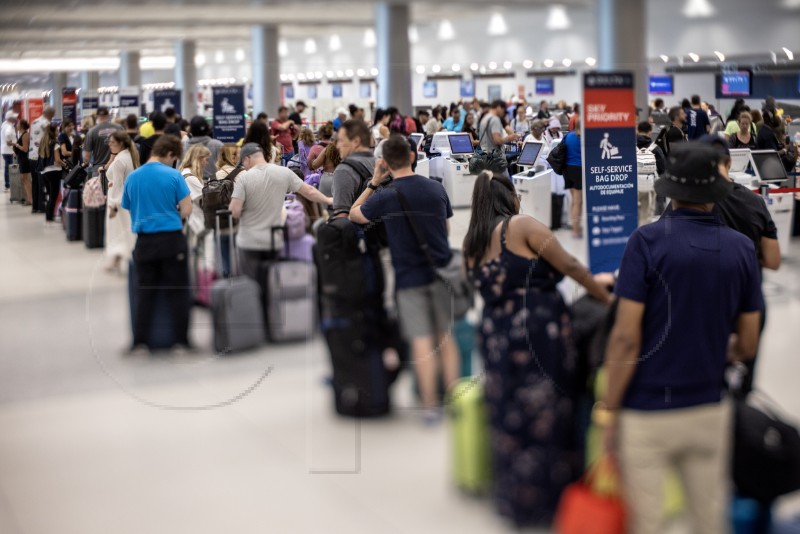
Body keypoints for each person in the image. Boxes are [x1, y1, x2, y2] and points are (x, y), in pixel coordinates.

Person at [601, 142, 763, 534]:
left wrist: (609, 409)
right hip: (709, 407)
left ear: (669, 191)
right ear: (715, 194)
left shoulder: (646, 243)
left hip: (647, 411)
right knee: (709, 519)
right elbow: (748, 343)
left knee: (650, 522)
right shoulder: (741, 249)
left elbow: (625, 339)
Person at [462, 169, 612, 527]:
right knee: (549, 410)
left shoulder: (472, 242)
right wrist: (604, 296)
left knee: (509, 413)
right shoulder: (521, 225)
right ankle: (550, 498)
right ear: (510, 196)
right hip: (538, 331)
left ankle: (516, 498)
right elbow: (571, 265)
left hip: (497, 334)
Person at [349, 135, 460, 424]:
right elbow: (446, 231)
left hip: (409, 278)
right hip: (442, 273)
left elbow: (353, 214)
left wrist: (374, 181)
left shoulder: (386, 196)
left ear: (384, 163)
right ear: (412, 156)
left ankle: (430, 407)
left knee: (422, 343)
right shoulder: (436, 189)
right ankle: (454, 401)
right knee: (446, 339)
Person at [122, 135, 192, 354]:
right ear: (170, 154)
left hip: (144, 242)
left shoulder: (133, 177)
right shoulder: (174, 176)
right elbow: (187, 209)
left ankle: (140, 343)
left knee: (144, 292)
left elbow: (128, 206)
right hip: (172, 239)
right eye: (174, 159)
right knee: (178, 292)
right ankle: (181, 342)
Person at [228, 143, 332, 279]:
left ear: (247, 158)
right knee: (271, 283)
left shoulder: (243, 178)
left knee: (251, 284)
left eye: (243, 163)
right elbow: (310, 191)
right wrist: (328, 200)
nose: (244, 166)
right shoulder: (283, 172)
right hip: (273, 240)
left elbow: (234, 211)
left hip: (249, 241)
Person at [104, 131, 140, 274]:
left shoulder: (119, 160)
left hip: (118, 201)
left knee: (117, 231)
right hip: (126, 199)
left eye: (112, 142)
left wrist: (113, 205)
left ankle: (120, 259)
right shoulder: (128, 156)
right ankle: (118, 259)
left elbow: (118, 185)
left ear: (121, 143)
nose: (110, 145)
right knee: (124, 230)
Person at [331, 119, 376, 214]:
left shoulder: (344, 170)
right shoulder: (381, 165)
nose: (337, 146)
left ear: (356, 141)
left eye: (341, 140)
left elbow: (341, 216)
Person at [214, 144, 241, 276]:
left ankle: (226, 275)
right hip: (239, 218)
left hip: (222, 218)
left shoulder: (217, 174)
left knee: (224, 251)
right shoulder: (243, 173)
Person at [636, 121, 666, 224]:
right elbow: (662, 169)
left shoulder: (630, 148)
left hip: (634, 186)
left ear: (637, 130)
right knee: (649, 214)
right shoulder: (656, 148)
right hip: (651, 185)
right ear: (650, 132)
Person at [180, 144, 212, 242]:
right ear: (199, 159)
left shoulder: (184, 173)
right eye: (206, 160)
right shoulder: (190, 178)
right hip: (196, 221)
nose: (206, 163)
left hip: (192, 220)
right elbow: (203, 200)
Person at [28, 107, 54, 212]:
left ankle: (35, 206)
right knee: (42, 182)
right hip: (41, 157)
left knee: (34, 182)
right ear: (50, 114)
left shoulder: (34, 122)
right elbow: (51, 139)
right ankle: (41, 206)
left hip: (31, 155)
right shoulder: (46, 123)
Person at [39, 124, 65, 225]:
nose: (58, 132)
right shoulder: (55, 144)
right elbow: (58, 160)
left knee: (50, 195)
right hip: (54, 171)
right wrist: (65, 165)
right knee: (53, 195)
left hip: (44, 172)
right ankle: (49, 217)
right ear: (53, 132)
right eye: (57, 130)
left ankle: (49, 216)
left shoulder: (43, 143)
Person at [83, 107, 123, 171]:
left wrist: (86, 163)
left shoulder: (92, 132)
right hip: (118, 165)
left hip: (99, 168)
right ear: (108, 116)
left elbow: (87, 156)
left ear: (96, 116)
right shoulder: (119, 128)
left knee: (97, 181)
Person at [562, 118, 583, 237]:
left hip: (567, 169)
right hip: (578, 170)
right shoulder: (584, 137)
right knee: (578, 201)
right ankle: (576, 230)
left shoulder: (568, 135)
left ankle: (574, 225)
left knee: (574, 199)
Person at [12, 119, 32, 204]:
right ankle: (28, 198)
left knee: (25, 179)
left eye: (18, 123)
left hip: (25, 159)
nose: (17, 125)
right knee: (23, 178)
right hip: (21, 158)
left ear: (22, 125)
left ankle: (30, 199)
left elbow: (25, 149)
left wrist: (16, 145)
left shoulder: (25, 135)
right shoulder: (22, 134)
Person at [2, 111, 18, 191]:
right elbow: (8, 135)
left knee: (7, 167)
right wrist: (11, 144)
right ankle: (8, 184)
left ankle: (7, 184)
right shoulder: (9, 126)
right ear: (10, 118)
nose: (15, 119)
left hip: (5, 150)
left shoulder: (4, 124)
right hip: (9, 150)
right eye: (14, 117)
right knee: (9, 168)